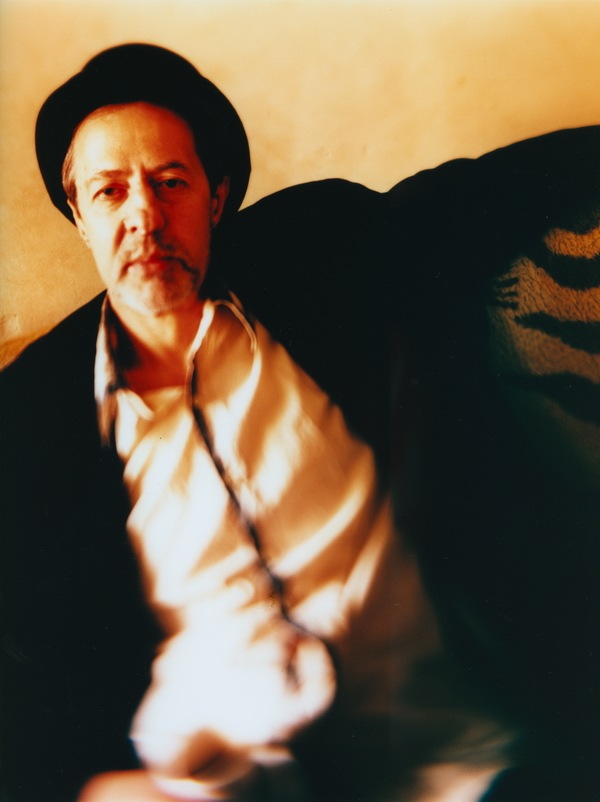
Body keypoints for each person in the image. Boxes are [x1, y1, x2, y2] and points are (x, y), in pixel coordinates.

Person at [1, 44, 509, 802]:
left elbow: (466, 201)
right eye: (109, 192)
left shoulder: (321, 255)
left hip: (449, 759)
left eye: (170, 182)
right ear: (79, 216)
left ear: (216, 199)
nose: (144, 216)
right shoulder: (31, 418)